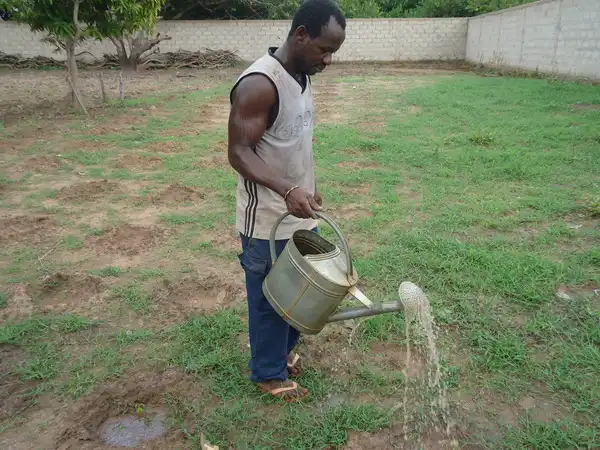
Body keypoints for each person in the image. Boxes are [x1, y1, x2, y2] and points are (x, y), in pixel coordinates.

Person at [227, 0, 346, 402]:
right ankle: (268, 372)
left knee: (299, 292)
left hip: (298, 210)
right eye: (324, 49)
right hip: (266, 220)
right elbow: (239, 152)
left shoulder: (302, 75)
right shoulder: (259, 84)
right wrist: (286, 190)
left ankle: (280, 353)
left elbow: (289, 142)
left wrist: (305, 188)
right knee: (267, 298)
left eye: (333, 52)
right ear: (300, 35)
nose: (328, 60)